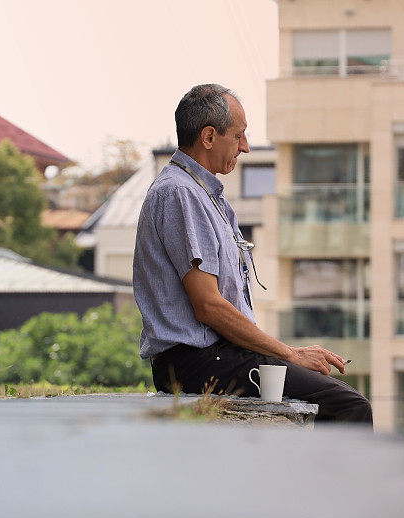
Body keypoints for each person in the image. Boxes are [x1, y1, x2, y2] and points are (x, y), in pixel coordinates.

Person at [132, 84, 372, 425]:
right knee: (349, 405)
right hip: (197, 363)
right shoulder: (180, 194)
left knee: (334, 395)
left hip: (220, 356)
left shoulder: (206, 195)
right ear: (209, 137)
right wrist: (291, 353)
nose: (245, 147)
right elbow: (208, 306)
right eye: (239, 136)